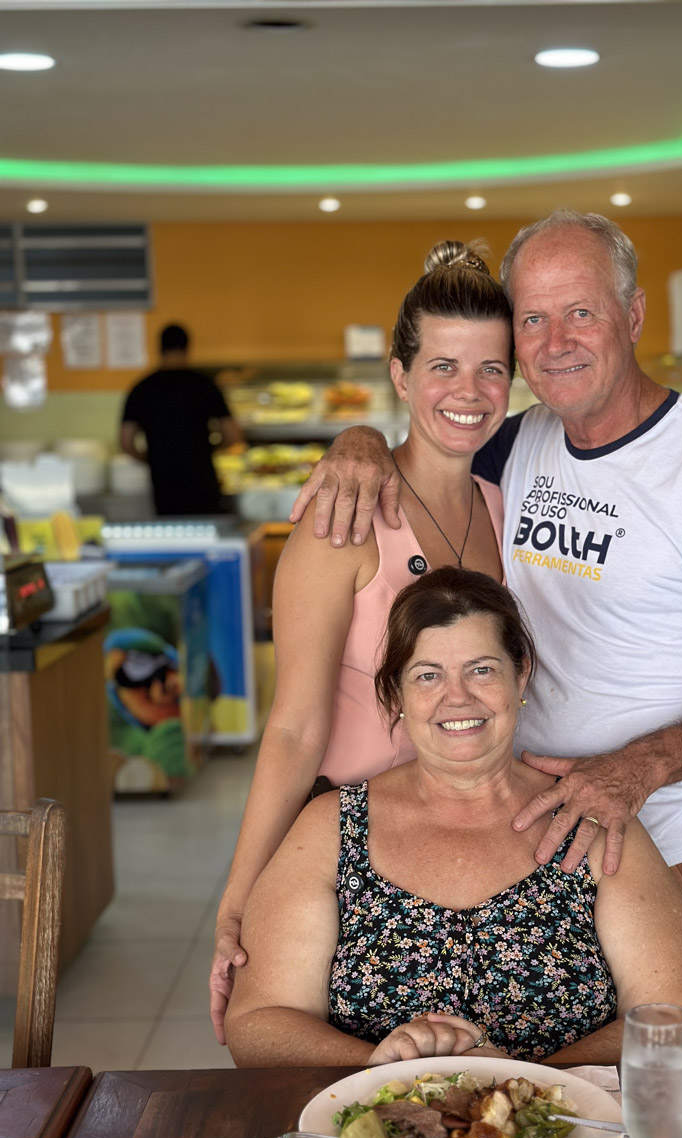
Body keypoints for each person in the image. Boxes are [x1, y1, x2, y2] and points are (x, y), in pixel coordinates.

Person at [291, 210, 682, 1036]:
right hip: (520, 837)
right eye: (532, 318)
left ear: (632, 315)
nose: (555, 341)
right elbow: (427, 438)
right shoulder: (521, 440)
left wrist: (633, 771)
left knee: (648, 1076)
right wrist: (357, 439)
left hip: (656, 838)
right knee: (526, 1092)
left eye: (581, 312)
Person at [224, 566, 682, 1067]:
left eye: (482, 669)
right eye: (428, 675)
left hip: (567, 1133)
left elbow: (680, 1016)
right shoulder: (333, 828)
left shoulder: (589, 819)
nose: (456, 697)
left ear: (519, 675)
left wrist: (525, 1093)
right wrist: (377, 1065)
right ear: (396, 695)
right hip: (377, 1135)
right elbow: (258, 1022)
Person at [210, 243, 513, 1045]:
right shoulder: (342, 520)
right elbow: (292, 728)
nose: (469, 392)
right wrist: (240, 899)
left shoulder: (504, 506)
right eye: (442, 366)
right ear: (400, 376)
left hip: (475, 842)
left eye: (491, 369)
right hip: (353, 853)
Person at [119, 322, 240, 516]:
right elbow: (233, 435)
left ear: (159, 349)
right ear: (187, 348)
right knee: (206, 536)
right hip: (202, 480)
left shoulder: (142, 389)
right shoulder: (204, 385)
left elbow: (126, 442)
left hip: (163, 484)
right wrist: (209, 449)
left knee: (172, 537)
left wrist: (151, 458)